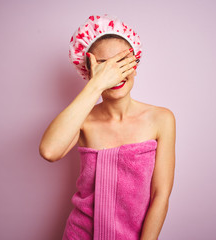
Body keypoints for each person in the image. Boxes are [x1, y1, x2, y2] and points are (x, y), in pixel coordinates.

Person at [39, 14, 176, 240]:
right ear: (89, 72)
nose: (115, 72)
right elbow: (49, 151)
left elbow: (160, 194)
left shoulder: (161, 119)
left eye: (122, 62)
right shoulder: (82, 119)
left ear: (135, 64)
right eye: (104, 65)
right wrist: (97, 84)